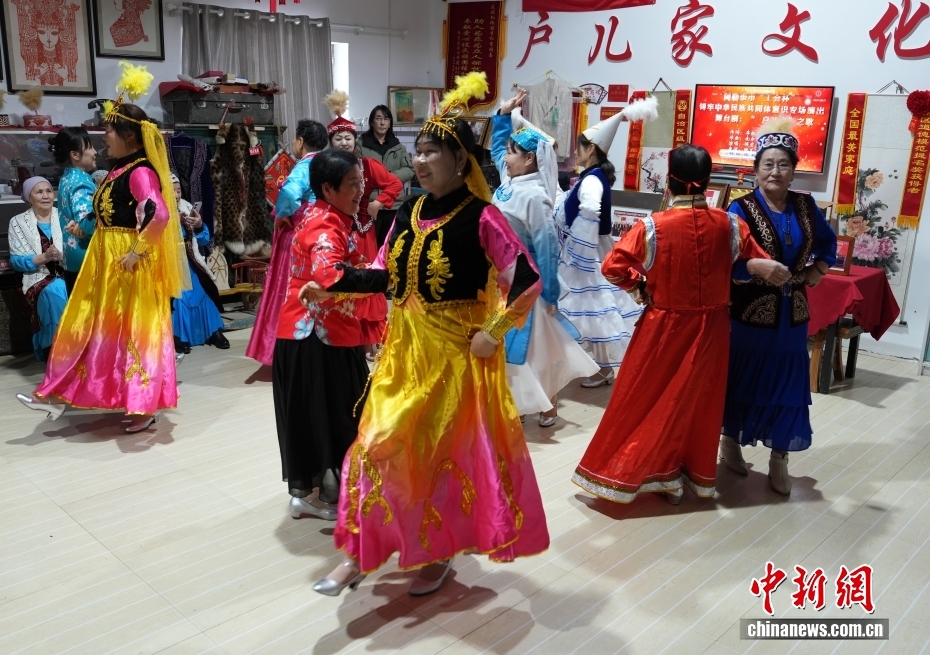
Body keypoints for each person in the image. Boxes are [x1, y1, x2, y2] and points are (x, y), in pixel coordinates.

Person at [307, 73, 549, 598]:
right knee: (376, 443)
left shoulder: (483, 217)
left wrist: (494, 332)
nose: (419, 161)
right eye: (417, 151)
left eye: (431, 152)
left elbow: (527, 281)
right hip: (404, 353)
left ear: (460, 159)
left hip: (454, 360)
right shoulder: (409, 211)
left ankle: (438, 552)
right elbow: (384, 273)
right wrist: (333, 285)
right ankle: (361, 550)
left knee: (437, 459)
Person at [572, 145, 778, 505]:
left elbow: (612, 266)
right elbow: (753, 263)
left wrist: (639, 287)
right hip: (713, 326)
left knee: (649, 400)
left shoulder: (653, 227)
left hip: (664, 326)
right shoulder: (731, 224)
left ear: (670, 181)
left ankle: (653, 473)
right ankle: (688, 472)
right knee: (699, 401)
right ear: (708, 182)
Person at [17, 96, 189, 433]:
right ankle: (56, 394)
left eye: (109, 130)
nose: (103, 137)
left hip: (128, 266)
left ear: (129, 135)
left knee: (134, 333)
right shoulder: (118, 169)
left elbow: (158, 213)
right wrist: (86, 229)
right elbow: (110, 214)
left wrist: (136, 252)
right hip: (105, 262)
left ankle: (143, 405)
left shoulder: (140, 171)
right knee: (85, 326)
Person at [719, 120, 837, 495]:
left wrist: (820, 267)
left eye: (783, 164)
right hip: (749, 315)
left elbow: (828, 242)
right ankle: (730, 443)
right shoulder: (739, 209)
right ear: (755, 170)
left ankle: (779, 458)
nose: (775, 171)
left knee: (788, 385)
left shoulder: (805, 205)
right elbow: (726, 260)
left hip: (792, 316)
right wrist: (755, 267)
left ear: (793, 170)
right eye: (768, 164)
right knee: (742, 380)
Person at [273, 149, 373, 522]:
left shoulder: (321, 215)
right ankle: (324, 497)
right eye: (353, 184)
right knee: (336, 415)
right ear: (328, 189)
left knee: (322, 415)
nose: (361, 191)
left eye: (361, 182)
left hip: (314, 333)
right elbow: (330, 276)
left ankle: (317, 494)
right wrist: (384, 279)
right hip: (317, 338)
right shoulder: (326, 225)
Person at [491, 89, 597, 426]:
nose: (505, 157)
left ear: (529, 159)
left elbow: (547, 248)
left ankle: (541, 406)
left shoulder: (535, 196)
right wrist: (503, 114)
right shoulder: (509, 182)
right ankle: (527, 406)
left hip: (527, 285)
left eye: (513, 153)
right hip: (501, 280)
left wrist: (549, 293)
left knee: (529, 351)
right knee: (517, 349)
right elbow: (497, 149)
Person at [555, 101, 656, 388]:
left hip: (590, 251)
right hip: (591, 248)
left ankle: (603, 369)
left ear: (591, 149)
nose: (576, 152)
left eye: (580, 147)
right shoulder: (591, 177)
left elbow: (590, 209)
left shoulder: (592, 180)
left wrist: (579, 246)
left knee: (596, 306)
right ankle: (597, 365)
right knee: (594, 306)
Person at [246, 119, 328, 366]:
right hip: (324, 234)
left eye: (294, 139)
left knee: (289, 288)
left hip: (300, 234)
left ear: (300, 141)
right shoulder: (327, 164)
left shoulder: (304, 166)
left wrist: (282, 215)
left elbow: (290, 193)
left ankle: (285, 349)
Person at [325, 92, 400, 353]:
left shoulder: (367, 165)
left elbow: (394, 183)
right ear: (331, 142)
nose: (344, 142)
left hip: (364, 232)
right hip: (334, 231)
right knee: (339, 279)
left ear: (354, 140)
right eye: (338, 138)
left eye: (348, 138)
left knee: (367, 278)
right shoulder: (325, 167)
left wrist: (378, 203)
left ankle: (370, 341)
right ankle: (346, 337)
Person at [8, 177, 68, 361]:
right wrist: (44, 258)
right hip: (37, 277)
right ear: (29, 197)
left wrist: (63, 256)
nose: (46, 196)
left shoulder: (65, 217)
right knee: (55, 291)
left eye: (49, 191)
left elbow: (80, 249)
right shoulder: (17, 222)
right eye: (39, 192)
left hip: (69, 272)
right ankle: (57, 351)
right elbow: (16, 261)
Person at [170, 174, 228, 354]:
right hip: (172, 264)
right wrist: (174, 223)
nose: (177, 195)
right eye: (172, 191)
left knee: (202, 292)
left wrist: (199, 225)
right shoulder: (160, 212)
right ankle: (179, 336)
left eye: (178, 191)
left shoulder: (187, 207)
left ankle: (214, 331)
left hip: (191, 261)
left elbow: (203, 241)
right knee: (179, 298)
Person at [357, 104, 416, 249]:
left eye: (386, 119)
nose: (382, 122)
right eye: (378, 118)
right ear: (372, 122)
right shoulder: (361, 145)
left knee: (391, 246)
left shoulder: (398, 146)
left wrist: (387, 177)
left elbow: (409, 170)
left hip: (393, 204)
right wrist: (377, 178)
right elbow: (357, 172)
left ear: (390, 123)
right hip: (369, 205)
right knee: (370, 248)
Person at [50, 127, 97, 294]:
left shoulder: (67, 177)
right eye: (90, 147)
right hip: (86, 258)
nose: (95, 151)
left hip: (72, 257)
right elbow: (87, 222)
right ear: (75, 155)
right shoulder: (80, 182)